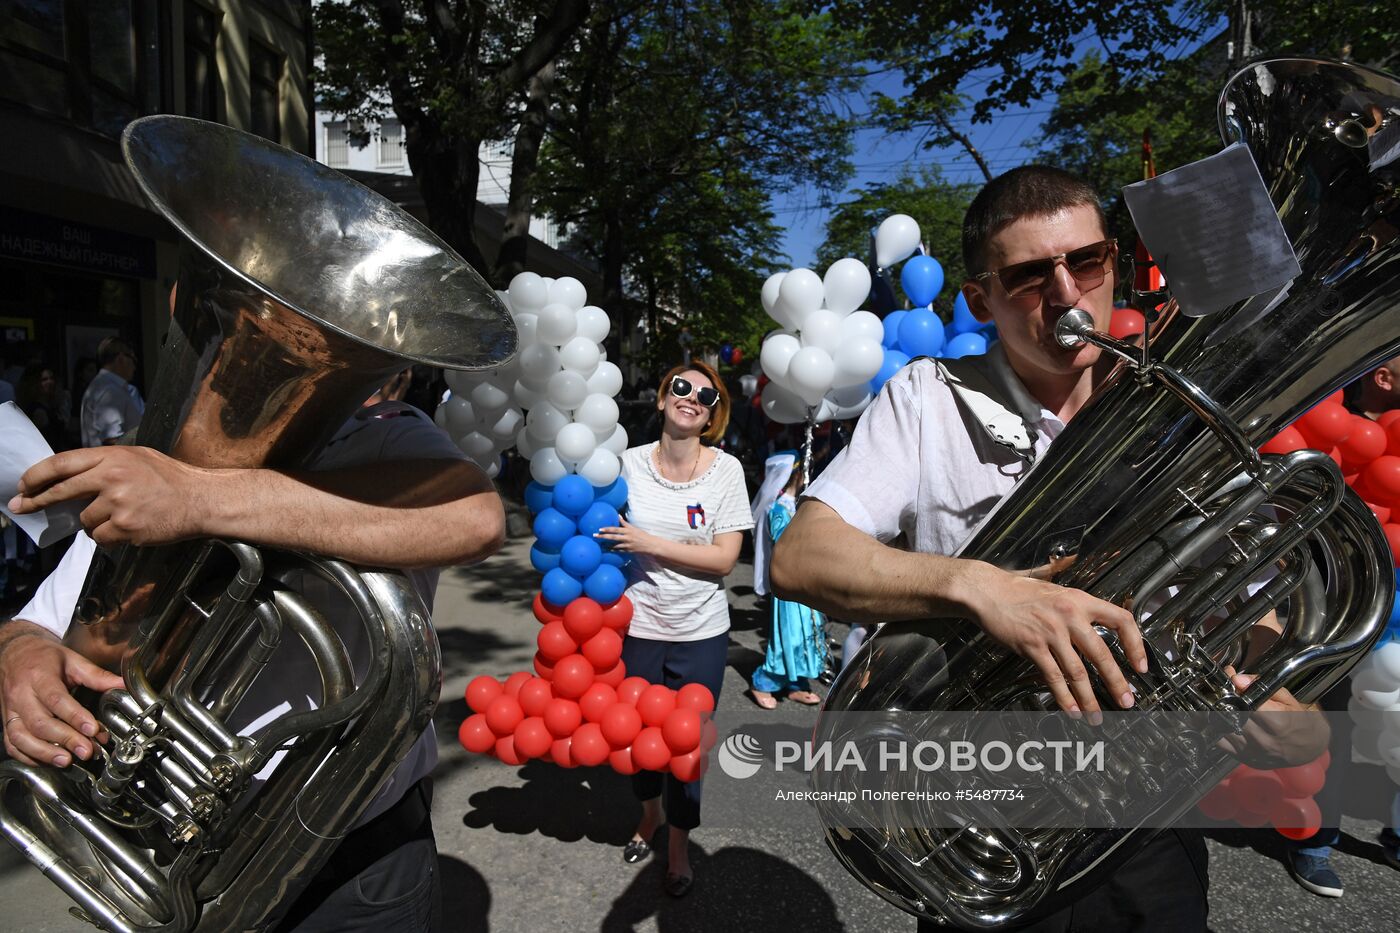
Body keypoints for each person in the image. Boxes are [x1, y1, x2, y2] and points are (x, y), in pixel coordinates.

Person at [771, 165, 1327, 931]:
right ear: (980, 299)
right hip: (983, 815)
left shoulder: (1174, 416)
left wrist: (1260, 688)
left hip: (1145, 827)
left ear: (1114, 268)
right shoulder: (929, 397)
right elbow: (800, 555)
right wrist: (980, 587)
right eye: (1031, 275)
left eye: (1088, 262)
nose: (1067, 294)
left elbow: (1251, 604)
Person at [0, 386, 506, 931]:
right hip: (168, 852)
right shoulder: (166, 453)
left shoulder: (386, 431)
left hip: (348, 864)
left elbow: (472, 516)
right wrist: (19, 650)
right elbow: (38, 622)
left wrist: (196, 501)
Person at [594, 360, 752, 898]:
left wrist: (649, 543)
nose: (692, 398)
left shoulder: (726, 471)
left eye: (705, 396)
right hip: (637, 627)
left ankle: (679, 847)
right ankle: (648, 816)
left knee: (685, 747)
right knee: (637, 741)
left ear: (712, 416)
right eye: (680, 388)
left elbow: (726, 559)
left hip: (701, 631)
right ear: (662, 399)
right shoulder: (624, 463)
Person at [1283, 356, 1400, 898]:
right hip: (1335, 606)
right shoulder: (1324, 417)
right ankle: (1313, 843)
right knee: (1333, 730)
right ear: (1383, 378)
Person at [747, 451, 825, 708]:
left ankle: (796, 682)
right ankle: (764, 681)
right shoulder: (779, 508)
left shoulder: (800, 505)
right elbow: (784, 541)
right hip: (790, 583)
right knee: (789, 634)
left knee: (807, 633)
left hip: (808, 581)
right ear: (796, 475)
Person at [80, 337, 145, 447]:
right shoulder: (110, 390)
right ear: (121, 359)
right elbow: (112, 440)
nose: (135, 366)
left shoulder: (104, 386)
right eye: (133, 359)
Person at [16, 363, 73, 452]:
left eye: (51, 378)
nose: (49, 382)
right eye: (44, 379)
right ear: (34, 383)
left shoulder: (52, 406)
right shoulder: (38, 411)